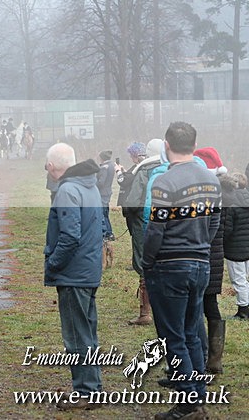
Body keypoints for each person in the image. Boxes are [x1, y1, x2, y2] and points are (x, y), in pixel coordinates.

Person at [143, 122, 220, 420]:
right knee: (191, 333)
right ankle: (196, 398)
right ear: (193, 143)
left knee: (173, 337)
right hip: (200, 264)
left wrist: (147, 262)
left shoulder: (165, 181)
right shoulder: (211, 180)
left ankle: (188, 405)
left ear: (166, 144)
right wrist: (199, 245)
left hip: (170, 265)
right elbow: (213, 224)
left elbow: (155, 230)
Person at [43, 143, 104, 411]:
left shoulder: (67, 189)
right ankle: (94, 387)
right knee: (87, 332)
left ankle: (86, 392)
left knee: (77, 337)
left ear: (52, 166)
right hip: (88, 271)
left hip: (73, 274)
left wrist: (53, 264)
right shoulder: (89, 186)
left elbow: (69, 236)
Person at [121, 138, 164, 326]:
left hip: (144, 223)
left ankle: (145, 312)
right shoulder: (171, 167)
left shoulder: (144, 170)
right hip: (168, 224)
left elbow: (133, 200)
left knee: (144, 263)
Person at [193, 147, 227, 376]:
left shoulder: (204, 192)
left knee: (196, 307)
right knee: (210, 305)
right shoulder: (225, 190)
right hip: (215, 256)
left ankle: (202, 357)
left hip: (204, 254)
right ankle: (214, 359)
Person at [224, 172, 249, 319]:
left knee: (239, 280)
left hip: (235, 249)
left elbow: (228, 230)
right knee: (245, 279)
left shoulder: (232, 204)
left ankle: (243, 311)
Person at [96, 150, 115, 242]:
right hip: (107, 192)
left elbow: (101, 182)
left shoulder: (104, 167)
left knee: (103, 213)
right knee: (105, 213)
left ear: (102, 158)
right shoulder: (111, 165)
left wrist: (92, 184)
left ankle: (107, 233)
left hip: (102, 193)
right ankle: (109, 232)